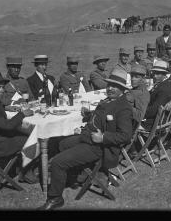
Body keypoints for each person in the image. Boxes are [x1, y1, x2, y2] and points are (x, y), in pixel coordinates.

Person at [38, 69, 133, 210]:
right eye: (109, 85)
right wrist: (89, 115)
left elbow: (126, 135)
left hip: (99, 147)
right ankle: (73, 177)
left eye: (115, 86)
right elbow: (102, 119)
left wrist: (103, 137)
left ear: (123, 90)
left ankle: (55, 198)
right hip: (88, 137)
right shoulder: (108, 100)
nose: (110, 88)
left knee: (58, 162)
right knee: (61, 143)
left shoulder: (123, 108)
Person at [142, 60, 171, 130]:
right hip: (160, 120)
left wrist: (140, 113)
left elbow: (154, 110)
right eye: (154, 73)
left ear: (164, 74)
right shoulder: (164, 84)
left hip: (154, 123)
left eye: (157, 74)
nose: (154, 76)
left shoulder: (163, 89)